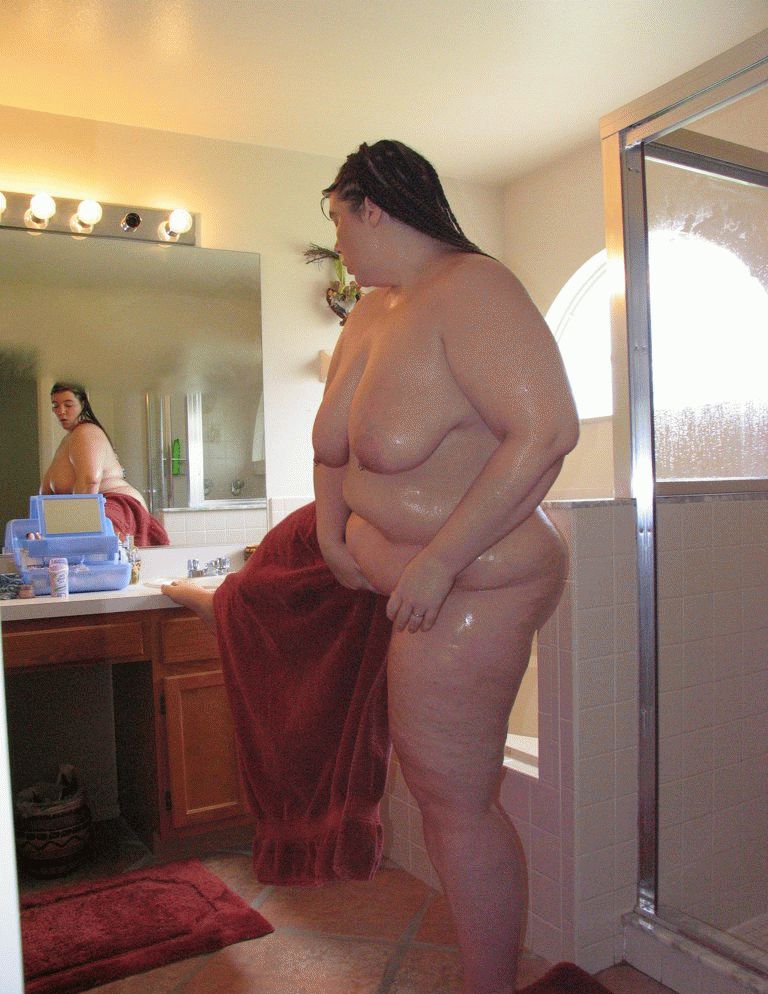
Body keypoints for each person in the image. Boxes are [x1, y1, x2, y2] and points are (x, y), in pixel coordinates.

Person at [165, 139, 578, 994]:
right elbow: (333, 447)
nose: (339, 245)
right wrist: (329, 534)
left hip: (477, 580)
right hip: (401, 579)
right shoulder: (371, 313)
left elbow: (546, 433)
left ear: (372, 207)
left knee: (454, 800)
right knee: (437, 794)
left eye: (339, 223)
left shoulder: (475, 290)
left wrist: (438, 563)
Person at [41, 381, 169, 546]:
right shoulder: (69, 438)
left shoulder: (86, 432)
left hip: (115, 506)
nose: (61, 411)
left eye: (68, 405)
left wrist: (77, 526)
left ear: (83, 404)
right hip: (89, 509)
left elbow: (90, 480)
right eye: (55, 405)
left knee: (100, 551)